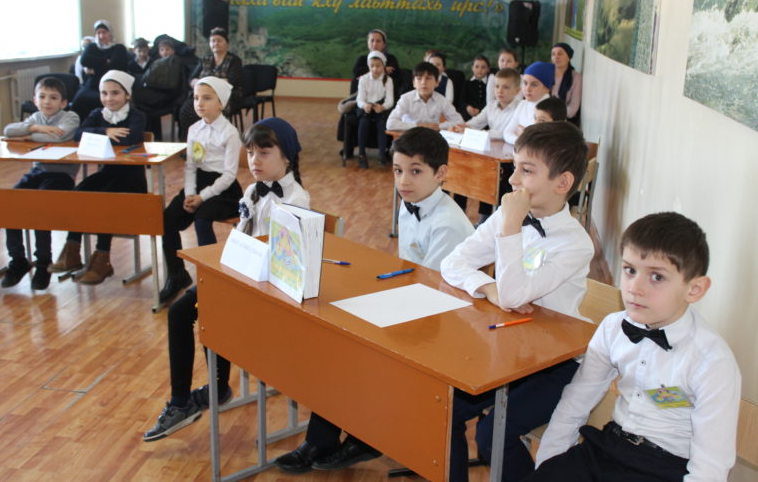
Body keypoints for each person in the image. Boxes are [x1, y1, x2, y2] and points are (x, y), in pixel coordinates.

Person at [275, 127, 474, 474]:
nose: (404, 181)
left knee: (353, 348)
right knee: (336, 339)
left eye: (415, 171)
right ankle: (328, 439)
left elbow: (435, 296)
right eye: (398, 170)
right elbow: (409, 271)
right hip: (415, 308)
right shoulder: (412, 205)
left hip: (441, 327)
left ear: (441, 173)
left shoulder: (448, 224)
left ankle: (364, 438)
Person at [526, 212, 741, 482]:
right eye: (630, 270)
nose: (635, 288)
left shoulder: (711, 360)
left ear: (694, 289)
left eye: (657, 277)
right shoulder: (613, 327)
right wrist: (548, 467)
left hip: (666, 467)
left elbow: (710, 467)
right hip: (608, 447)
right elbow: (575, 402)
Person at [440, 121, 593, 482]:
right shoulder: (507, 217)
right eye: (514, 167)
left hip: (555, 362)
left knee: (491, 435)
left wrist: (510, 228)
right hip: (508, 345)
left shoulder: (575, 244)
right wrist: (488, 288)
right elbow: (453, 263)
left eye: (526, 170)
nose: (512, 179)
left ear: (562, 183)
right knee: (444, 409)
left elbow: (514, 294)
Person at [143, 117, 308, 442]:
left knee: (205, 309)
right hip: (242, 277)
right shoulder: (252, 190)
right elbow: (241, 237)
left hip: (270, 291)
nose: (254, 160)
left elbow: (287, 263)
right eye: (251, 152)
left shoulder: (296, 200)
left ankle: (213, 390)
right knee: (180, 311)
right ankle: (187, 399)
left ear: (287, 157)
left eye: (264, 153)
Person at [49, 70, 147, 285]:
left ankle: (102, 257)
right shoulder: (97, 113)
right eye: (104, 93)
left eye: (115, 93)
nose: (109, 98)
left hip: (132, 179)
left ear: (127, 95)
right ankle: (72, 250)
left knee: (105, 199)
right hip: (107, 173)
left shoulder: (136, 115)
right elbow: (78, 134)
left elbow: (131, 137)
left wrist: (97, 134)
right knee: (79, 193)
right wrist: (106, 132)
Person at [159, 77, 242, 304]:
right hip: (197, 184)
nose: (199, 103)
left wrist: (202, 197)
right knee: (167, 219)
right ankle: (177, 274)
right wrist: (189, 194)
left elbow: (229, 175)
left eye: (207, 98)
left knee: (202, 219)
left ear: (221, 103)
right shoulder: (194, 129)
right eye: (196, 98)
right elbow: (190, 166)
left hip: (223, 189)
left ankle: (211, 276)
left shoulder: (230, 133)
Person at [0, 78, 80, 290]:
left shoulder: (70, 116)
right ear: (34, 100)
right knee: (9, 204)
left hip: (60, 176)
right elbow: (9, 131)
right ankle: (18, 260)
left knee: (39, 209)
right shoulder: (35, 117)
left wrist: (28, 135)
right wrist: (35, 127)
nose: (47, 101)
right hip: (37, 172)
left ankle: (43, 263)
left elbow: (59, 137)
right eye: (42, 97)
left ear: (63, 102)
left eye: (53, 98)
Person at [456, 68, 522, 224]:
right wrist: (463, 127)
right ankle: (470, 217)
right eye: (497, 86)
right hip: (489, 154)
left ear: (517, 91)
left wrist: (484, 133)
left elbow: (505, 133)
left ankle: (493, 219)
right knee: (466, 173)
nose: (500, 91)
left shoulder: (520, 108)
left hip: (508, 158)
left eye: (505, 87)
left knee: (494, 183)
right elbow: (476, 122)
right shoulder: (491, 105)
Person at [178, 27, 244, 140]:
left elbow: (233, 81)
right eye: (213, 41)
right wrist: (199, 84)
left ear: (227, 43)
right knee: (186, 111)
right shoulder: (205, 59)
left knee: (211, 110)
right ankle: (190, 141)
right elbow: (192, 78)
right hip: (202, 95)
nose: (216, 43)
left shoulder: (234, 60)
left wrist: (207, 83)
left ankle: (213, 141)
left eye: (219, 40)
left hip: (224, 96)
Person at [71, 20, 129, 120]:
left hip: (113, 83)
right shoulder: (92, 46)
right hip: (92, 84)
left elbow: (115, 67)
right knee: (79, 99)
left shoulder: (119, 48)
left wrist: (94, 70)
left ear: (110, 33)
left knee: (106, 100)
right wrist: (105, 61)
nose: (101, 36)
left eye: (104, 32)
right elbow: (84, 60)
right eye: (98, 33)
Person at [386, 62, 462, 132]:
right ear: (414, 83)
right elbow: (390, 124)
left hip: (431, 136)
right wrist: (418, 126)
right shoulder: (406, 99)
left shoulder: (442, 100)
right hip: (410, 136)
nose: (423, 82)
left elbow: (460, 122)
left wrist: (438, 126)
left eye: (428, 78)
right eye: (419, 79)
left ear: (437, 83)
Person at [355, 50, 394, 169]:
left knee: (382, 124)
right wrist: (364, 106)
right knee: (364, 122)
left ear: (383, 66)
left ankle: (382, 153)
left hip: (380, 107)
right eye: (372, 66)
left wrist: (382, 107)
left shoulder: (388, 80)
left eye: (378, 66)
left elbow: (390, 100)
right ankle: (362, 154)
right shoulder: (364, 79)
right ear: (368, 66)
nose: (375, 69)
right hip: (367, 107)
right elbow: (359, 99)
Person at [503, 61, 554, 145]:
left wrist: (522, 135)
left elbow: (542, 142)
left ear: (546, 88)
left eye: (534, 85)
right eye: (525, 83)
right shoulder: (522, 104)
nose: (527, 88)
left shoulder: (552, 109)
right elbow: (507, 133)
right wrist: (522, 139)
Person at [551, 42, 582, 124]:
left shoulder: (576, 77)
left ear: (568, 57)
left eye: (560, 54)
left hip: (563, 121)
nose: (556, 57)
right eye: (553, 54)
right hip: (542, 116)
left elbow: (572, 109)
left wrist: (552, 114)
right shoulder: (546, 73)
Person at [462, 55, 491, 120]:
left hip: (485, 115)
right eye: (477, 67)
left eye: (483, 67)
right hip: (468, 114)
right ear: (472, 68)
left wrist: (479, 109)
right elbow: (461, 101)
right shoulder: (466, 83)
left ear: (488, 69)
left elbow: (490, 101)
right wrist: (468, 107)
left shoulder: (490, 84)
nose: (480, 70)